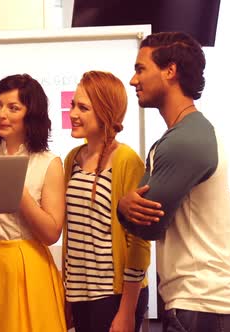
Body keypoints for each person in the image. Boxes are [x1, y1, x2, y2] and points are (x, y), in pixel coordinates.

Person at [118, 31, 230, 331]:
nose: (134, 81)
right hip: (204, 305)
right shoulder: (192, 132)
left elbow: (148, 224)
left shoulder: (184, 140)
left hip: (200, 305)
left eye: (140, 69)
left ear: (170, 71)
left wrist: (122, 206)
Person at [0, 74, 66, 332]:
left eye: (14, 108)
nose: (2, 114)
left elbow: (51, 232)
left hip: (29, 265)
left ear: (31, 114)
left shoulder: (48, 162)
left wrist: (17, 189)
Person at [64, 71, 150, 332]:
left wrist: (126, 311)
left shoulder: (126, 160)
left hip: (114, 296)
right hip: (79, 295)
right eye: (72, 105)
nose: (73, 113)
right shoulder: (73, 158)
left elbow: (139, 241)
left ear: (104, 112)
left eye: (83, 107)